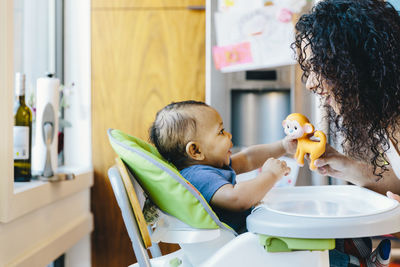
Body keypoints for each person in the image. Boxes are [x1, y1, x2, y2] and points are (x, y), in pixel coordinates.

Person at [293, 0, 400, 266]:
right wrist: (343, 165)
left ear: (358, 62)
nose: (310, 83)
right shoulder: (387, 117)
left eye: (318, 66)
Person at [149, 100, 293, 233]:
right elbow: (237, 198)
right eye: (221, 132)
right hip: (237, 247)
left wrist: (284, 146)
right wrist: (271, 175)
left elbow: (248, 158)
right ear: (196, 151)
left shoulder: (211, 166)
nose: (229, 135)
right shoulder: (197, 177)